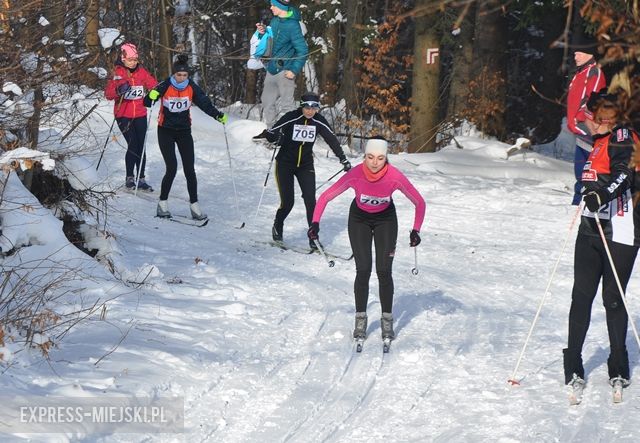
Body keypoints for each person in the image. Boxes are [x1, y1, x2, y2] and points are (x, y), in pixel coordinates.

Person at [308, 137, 426, 342]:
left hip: (386, 220)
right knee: (363, 270)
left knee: (384, 271)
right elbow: (326, 196)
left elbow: (419, 202)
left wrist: (416, 230)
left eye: (380, 158)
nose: (374, 162)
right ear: (365, 156)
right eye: (370, 157)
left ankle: (387, 320)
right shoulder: (355, 174)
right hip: (359, 219)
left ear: (386, 158)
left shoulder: (394, 176)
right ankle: (360, 319)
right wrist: (315, 223)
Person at [563, 89, 640, 396]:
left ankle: (618, 365)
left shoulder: (623, 135)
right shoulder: (599, 143)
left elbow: (623, 175)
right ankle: (572, 362)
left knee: (612, 298)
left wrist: (601, 193)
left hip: (620, 231)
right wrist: (588, 189)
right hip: (590, 229)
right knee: (580, 296)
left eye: (592, 118)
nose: (589, 124)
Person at [143, 54, 228, 220]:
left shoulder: (191, 87)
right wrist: (151, 96)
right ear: (174, 74)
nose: (182, 78)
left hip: (184, 132)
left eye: (185, 75)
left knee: (190, 169)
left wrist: (217, 115)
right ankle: (162, 204)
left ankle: (195, 207)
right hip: (165, 131)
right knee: (172, 168)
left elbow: (204, 103)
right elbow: (147, 103)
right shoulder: (165, 85)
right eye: (178, 75)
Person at [262, 91, 350, 247]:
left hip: (305, 165)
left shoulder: (319, 121)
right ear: (301, 106)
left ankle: (313, 236)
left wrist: (342, 158)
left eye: (314, 107)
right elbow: (274, 131)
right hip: (285, 164)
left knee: (311, 201)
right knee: (288, 202)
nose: (310, 111)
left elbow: (331, 139)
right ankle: (278, 224)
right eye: (307, 107)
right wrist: (272, 136)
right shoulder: (291, 117)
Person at [104, 43, 158, 191]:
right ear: (123, 58)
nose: (133, 62)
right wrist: (119, 89)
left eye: (135, 59)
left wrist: (154, 92)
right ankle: (129, 178)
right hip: (123, 115)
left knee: (141, 146)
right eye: (130, 60)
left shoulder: (141, 72)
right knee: (133, 144)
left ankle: (141, 179)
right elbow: (108, 94)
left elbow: (154, 85)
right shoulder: (117, 72)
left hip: (140, 114)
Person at [252, 0, 308, 139]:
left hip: (286, 71)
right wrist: (262, 32)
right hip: (271, 69)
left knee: (287, 106)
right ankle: (272, 132)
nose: (271, 8)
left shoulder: (293, 25)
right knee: (266, 101)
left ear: (281, 7)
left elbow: (303, 50)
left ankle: (287, 135)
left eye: (273, 5)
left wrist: (294, 70)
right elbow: (269, 40)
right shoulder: (275, 21)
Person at [567, 50, 606, 205]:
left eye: (579, 53)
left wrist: (580, 118)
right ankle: (579, 200)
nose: (575, 57)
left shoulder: (594, 72)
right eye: (575, 54)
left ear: (590, 54)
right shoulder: (580, 73)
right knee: (580, 168)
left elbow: (593, 98)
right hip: (579, 128)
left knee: (591, 168)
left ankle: (589, 200)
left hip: (588, 127)